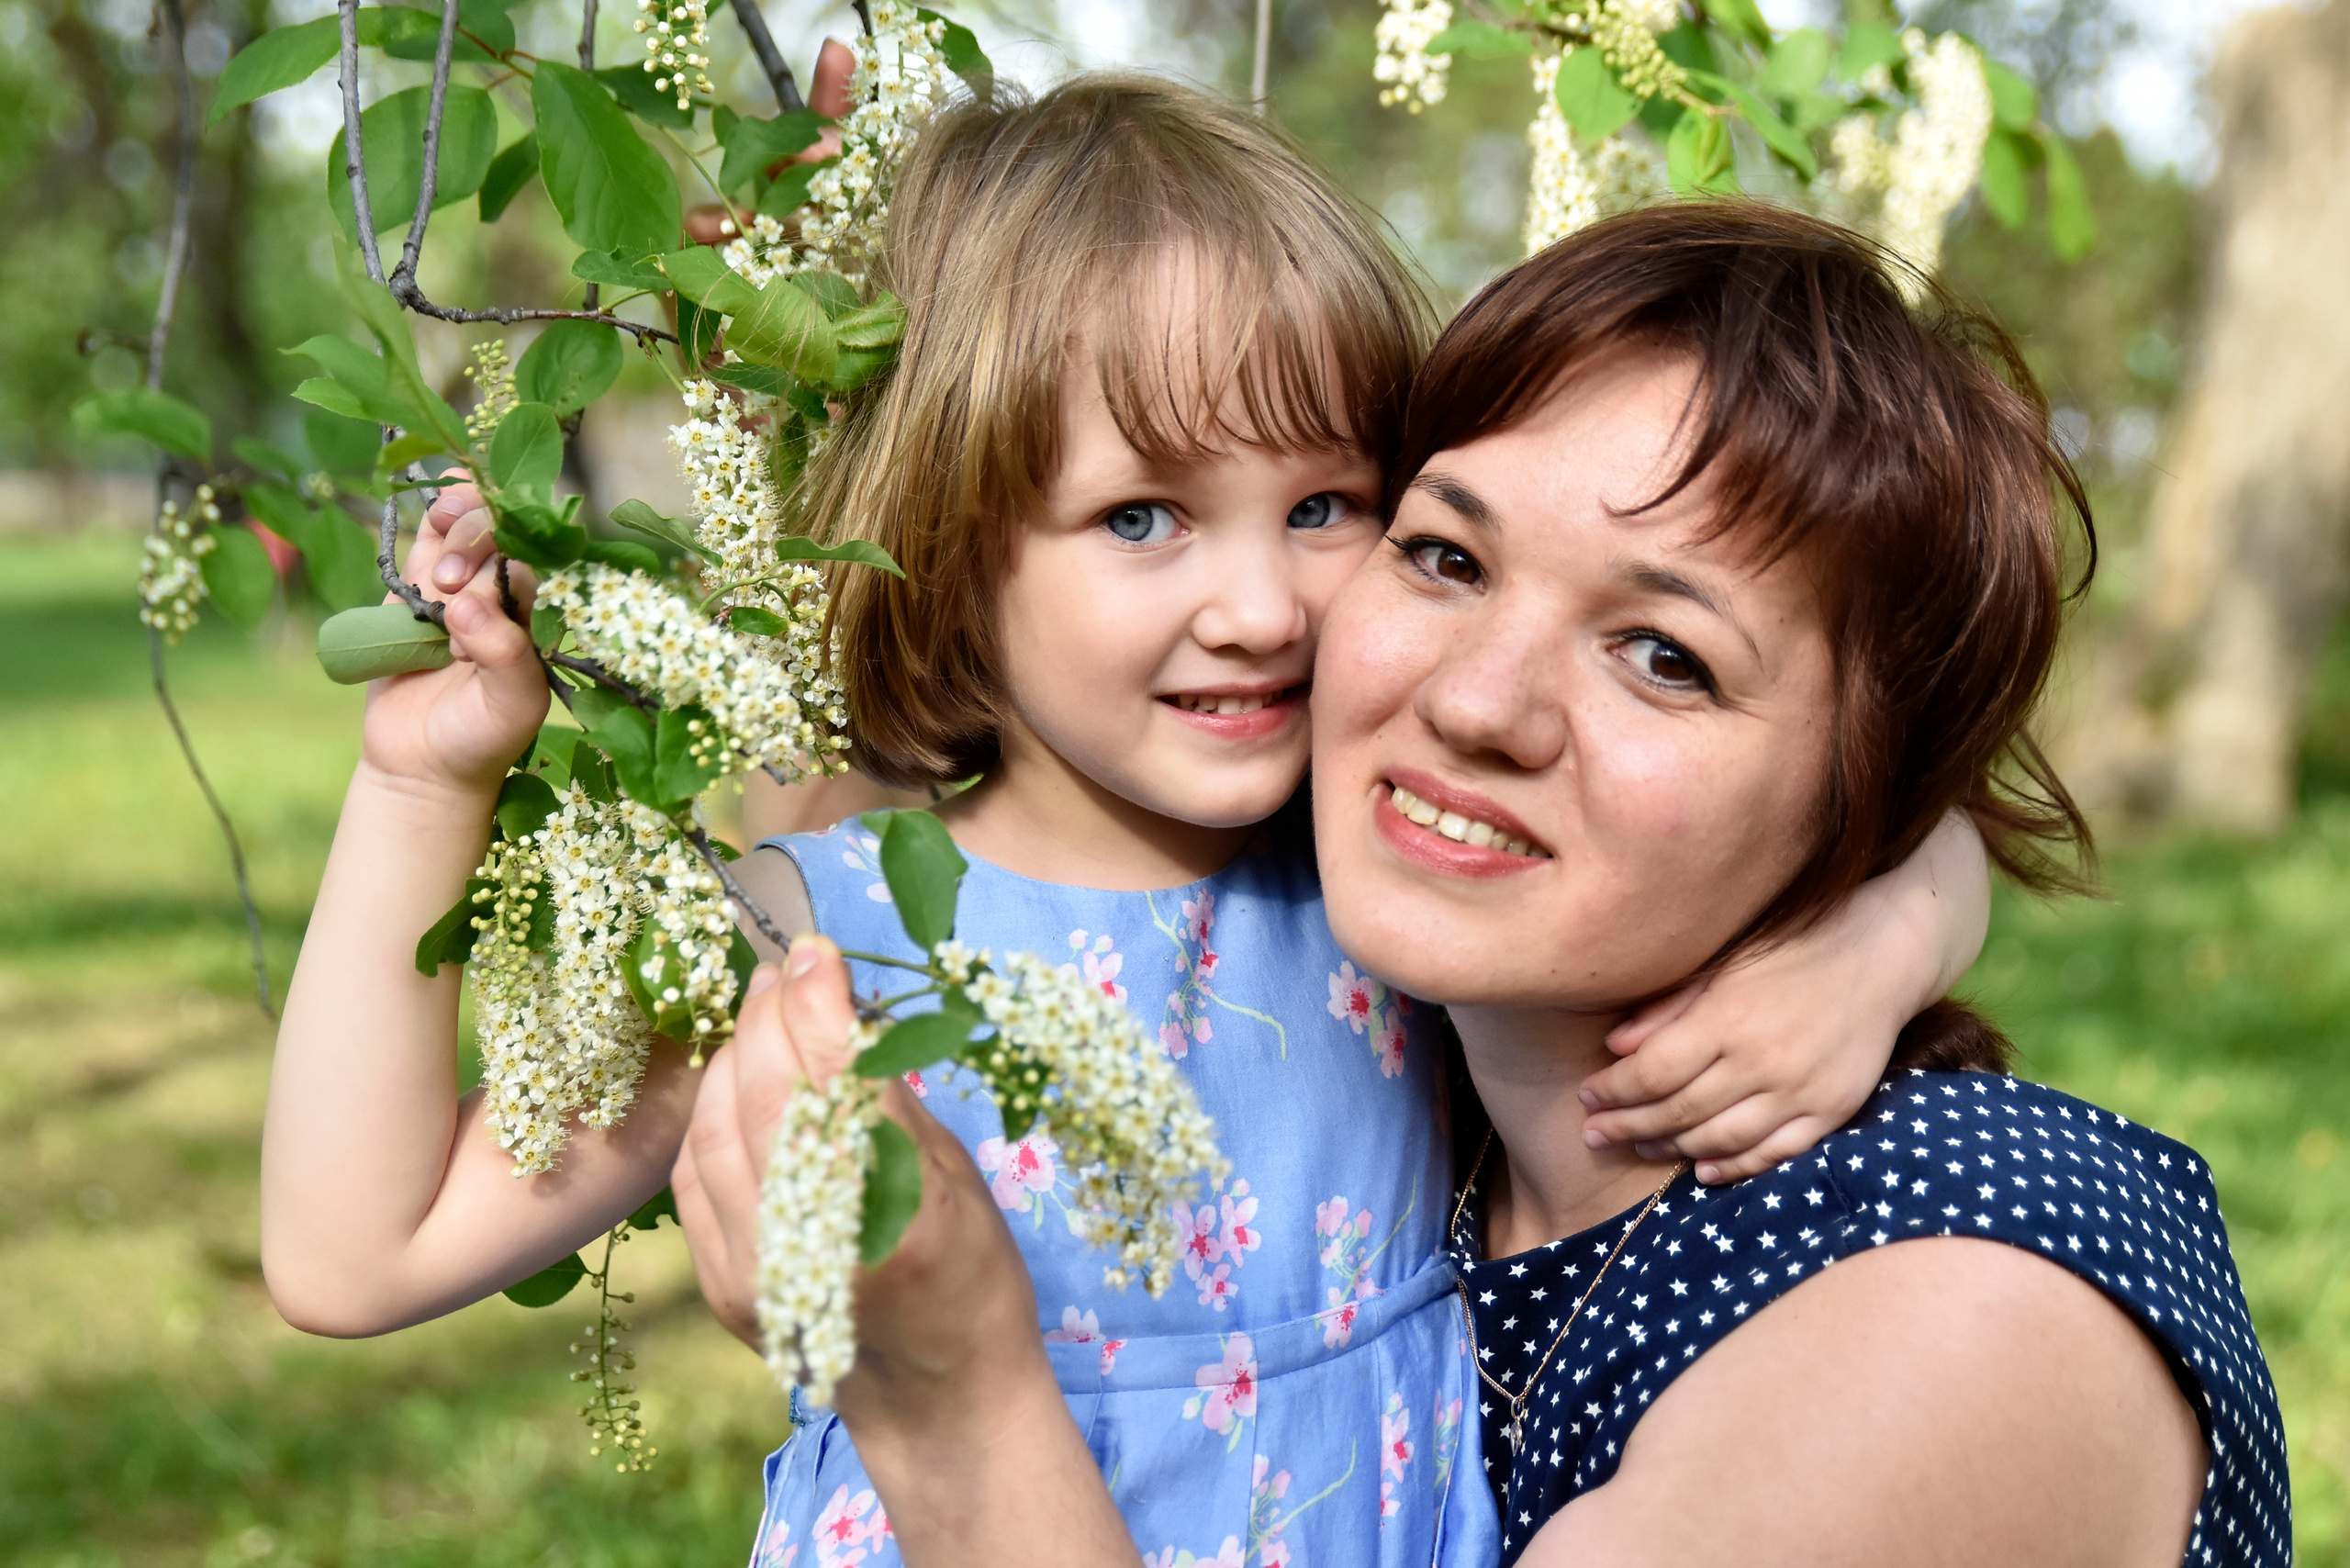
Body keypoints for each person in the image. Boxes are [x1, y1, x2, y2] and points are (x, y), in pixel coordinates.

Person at [260, 78, 1989, 1568]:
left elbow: (1886, 808)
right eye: (1144, 518)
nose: (1257, 605)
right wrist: (425, 782)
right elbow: (355, 1251)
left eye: (1326, 505)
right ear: (956, 537)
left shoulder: (1373, 868)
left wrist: (1876, 944)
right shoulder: (818, 946)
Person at [680, 203, 2288, 1568]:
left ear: (1861, 808)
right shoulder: (1362, 1042)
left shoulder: (1956, 1315)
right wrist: (837, 382)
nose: (1474, 704)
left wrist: (952, 1409)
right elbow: (925, 817)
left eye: (1667, 656)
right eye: (1445, 555)